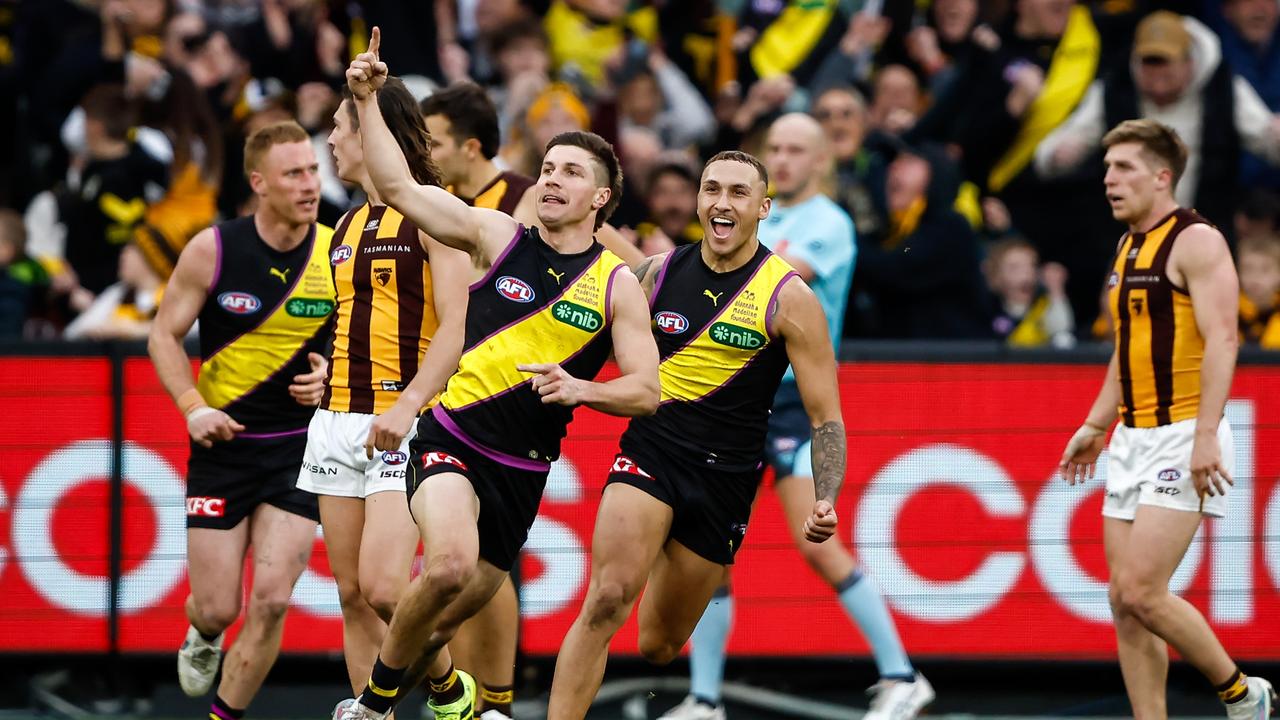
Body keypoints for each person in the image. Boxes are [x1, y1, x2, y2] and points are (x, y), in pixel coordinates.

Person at [339, 28, 659, 720]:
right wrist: (365, 99)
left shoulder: (616, 287)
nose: (552, 178)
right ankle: (371, 707)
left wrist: (583, 390)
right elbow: (397, 183)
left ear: (601, 200)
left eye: (572, 172)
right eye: (547, 167)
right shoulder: (494, 236)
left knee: (446, 622)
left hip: (524, 469)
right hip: (451, 438)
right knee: (446, 566)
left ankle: (439, 696)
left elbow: (648, 390)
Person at [546, 149, 849, 719]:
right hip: (652, 451)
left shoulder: (791, 300)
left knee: (658, 646)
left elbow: (825, 418)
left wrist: (825, 495)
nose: (722, 203)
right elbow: (585, 334)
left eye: (738, 193)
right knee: (607, 598)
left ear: (764, 208)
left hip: (726, 479)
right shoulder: (657, 274)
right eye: (713, 190)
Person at [660, 114, 931, 720]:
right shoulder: (760, 217)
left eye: (795, 150)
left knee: (818, 544)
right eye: (774, 148)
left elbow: (773, 282)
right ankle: (703, 700)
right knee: (711, 550)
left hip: (787, 403)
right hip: (732, 402)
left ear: (821, 160)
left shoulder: (826, 223)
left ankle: (902, 675)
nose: (781, 158)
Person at [1059, 119, 1275, 720]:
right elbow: (1126, 350)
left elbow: (1224, 339)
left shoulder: (1197, 240)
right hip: (1133, 436)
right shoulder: (1129, 245)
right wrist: (1097, 425)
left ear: (1162, 176)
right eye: (1106, 169)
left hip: (1184, 433)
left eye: (1124, 168)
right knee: (1123, 602)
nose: (1109, 180)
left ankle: (1242, 693)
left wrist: (1206, 435)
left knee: (1142, 591)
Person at [147, 120, 335, 720]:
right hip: (224, 450)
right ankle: (202, 634)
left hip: (301, 450)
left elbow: (367, 343)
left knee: (273, 600)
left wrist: (329, 375)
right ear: (259, 183)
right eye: (294, 174)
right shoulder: (214, 248)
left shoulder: (336, 249)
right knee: (218, 607)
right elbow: (163, 336)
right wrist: (192, 408)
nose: (310, 184)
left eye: (313, 170)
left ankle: (224, 717)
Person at [299, 77, 473, 718]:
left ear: (375, 130)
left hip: (406, 420)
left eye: (340, 127)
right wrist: (325, 371)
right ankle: (374, 712)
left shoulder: (433, 209)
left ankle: (455, 694)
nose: (332, 140)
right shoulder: (344, 224)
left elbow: (456, 323)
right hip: (336, 418)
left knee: (382, 589)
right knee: (349, 594)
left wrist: (409, 404)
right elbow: (357, 319)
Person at [418, 78, 534, 718]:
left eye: (434, 143)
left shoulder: (524, 198)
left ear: (469, 146)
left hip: (511, 400)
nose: (427, 157)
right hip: (452, 395)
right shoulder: (453, 207)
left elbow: (619, 257)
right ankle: (460, 696)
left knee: (487, 560)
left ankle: (494, 701)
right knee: (451, 559)